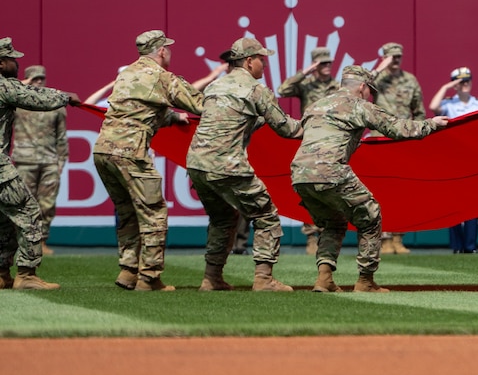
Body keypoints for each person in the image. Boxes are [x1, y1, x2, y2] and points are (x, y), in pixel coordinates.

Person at [292, 66, 448, 293]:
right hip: (331, 171)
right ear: (363, 87)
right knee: (371, 216)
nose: (370, 96)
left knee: (333, 223)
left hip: (299, 174)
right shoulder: (359, 105)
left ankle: (324, 279)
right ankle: (366, 281)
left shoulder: (316, 105)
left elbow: (294, 131)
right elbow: (396, 128)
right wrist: (432, 124)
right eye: (369, 91)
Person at [187, 37, 302, 292]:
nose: (264, 64)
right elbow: (287, 129)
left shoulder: (215, 87)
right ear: (249, 62)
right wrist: (317, 126)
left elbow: (231, 120)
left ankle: (211, 278)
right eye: (262, 59)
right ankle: (264, 280)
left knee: (223, 219)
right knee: (267, 215)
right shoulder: (256, 89)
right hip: (227, 165)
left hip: (197, 164)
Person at [93, 30, 204, 292]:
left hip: (102, 150)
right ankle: (150, 277)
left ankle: (128, 271)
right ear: (162, 51)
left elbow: (136, 111)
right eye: (168, 48)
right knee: (153, 213)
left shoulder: (126, 74)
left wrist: (173, 118)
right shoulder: (162, 77)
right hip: (131, 152)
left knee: (127, 212)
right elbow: (200, 105)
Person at [0, 41, 74, 290]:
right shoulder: (4, 85)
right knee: (30, 212)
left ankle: (1, 273)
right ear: (1, 63)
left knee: (3, 218)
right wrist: (66, 97)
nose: (17, 63)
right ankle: (27, 274)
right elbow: (33, 98)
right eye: (12, 59)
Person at [278, 46, 339, 254]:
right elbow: (283, 90)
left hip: (331, 141)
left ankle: (326, 234)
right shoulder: (306, 85)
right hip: (310, 142)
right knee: (309, 190)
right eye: (322, 63)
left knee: (329, 188)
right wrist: (305, 72)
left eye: (329, 62)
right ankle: (311, 237)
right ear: (315, 65)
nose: (327, 66)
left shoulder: (336, 86)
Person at [372, 41, 425, 255]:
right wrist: (378, 69)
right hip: (380, 140)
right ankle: (383, 239)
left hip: (403, 140)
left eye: (397, 57)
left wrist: (418, 134)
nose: (395, 61)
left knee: (401, 190)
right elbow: (358, 90)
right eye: (391, 57)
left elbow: (419, 111)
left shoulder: (410, 80)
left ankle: (398, 238)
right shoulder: (376, 80)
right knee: (381, 191)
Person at [429, 66, 478, 253]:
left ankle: (470, 246)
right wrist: (447, 87)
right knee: (454, 203)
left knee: (473, 204)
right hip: (452, 158)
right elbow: (432, 107)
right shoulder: (449, 103)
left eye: (467, 80)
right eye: (461, 82)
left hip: (471, 158)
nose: (465, 84)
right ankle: (456, 246)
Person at [12, 65, 67, 257]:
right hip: (24, 160)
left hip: (49, 160)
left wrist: (62, 160)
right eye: (34, 79)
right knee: (23, 204)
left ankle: (42, 241)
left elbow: (61, 136)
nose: (38, 82)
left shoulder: (54, 105)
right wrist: (23, 85)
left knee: (47, 204)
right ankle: (23, 242)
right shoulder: (17, 103)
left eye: (41, 79)